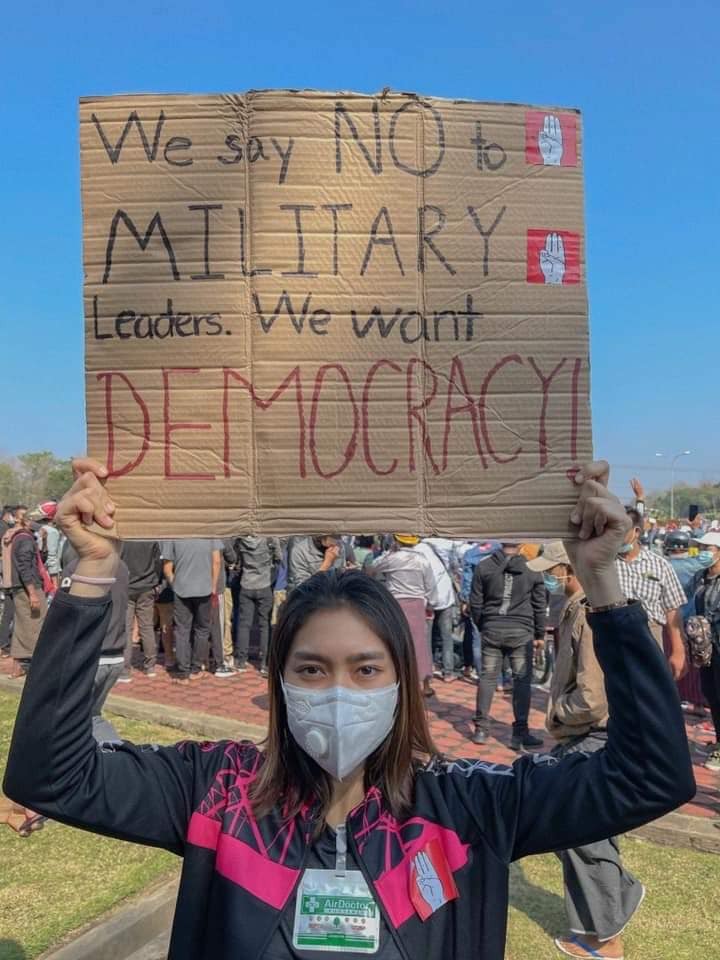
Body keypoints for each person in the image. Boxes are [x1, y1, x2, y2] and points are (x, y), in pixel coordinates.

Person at [3, 459, 695, 960]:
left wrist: (604, 586)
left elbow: (650, 777)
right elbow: (50, 775)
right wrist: (92, 571)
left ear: (402, 680)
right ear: (279, 681)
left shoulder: (473, 811)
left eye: (366, 669)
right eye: (311, 668)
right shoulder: (214, 795)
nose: (339, 691)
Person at [529, 541, 644, 960]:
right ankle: (616, 901)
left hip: (591, 737)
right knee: (573, 832)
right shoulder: (577, 607)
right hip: (583, 738)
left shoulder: (588, 614)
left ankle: (607, 938)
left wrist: (558, 715)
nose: (548, 576)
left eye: (553, 569)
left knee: (586, 836)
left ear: (568, 567)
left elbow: (593, 698)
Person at [469, 542, 546, 749]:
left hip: (492, 628)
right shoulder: (532, 569)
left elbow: (475, 602)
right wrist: (540, 633)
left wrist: (483, 625)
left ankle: (481, 729)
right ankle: (520, 733)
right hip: (521, 631)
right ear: (521, 544)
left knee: (488, 677)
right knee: (521, 681)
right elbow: (539, 604)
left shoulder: (484, 566)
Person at [615, 507, 687, 680]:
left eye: (619, 531)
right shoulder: (604, 565)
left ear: (636, 532)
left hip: (650, 637)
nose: (614, 537)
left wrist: (678, 651)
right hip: (614, 637)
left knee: (650, 693)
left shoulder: (660, 566)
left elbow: (672, 610)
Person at [369, 534, 436, 697]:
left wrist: (388, 552)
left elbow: (372, 568)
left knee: (396, 641)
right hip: (417, 604)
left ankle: (397, 680)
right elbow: (431, 586)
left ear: (396, 541)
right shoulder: (423, 560)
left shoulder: (392, 558)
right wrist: (432, 603)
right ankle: (425, 684)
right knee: (420, 645)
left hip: (396, 603)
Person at [162, 538, 223, 684]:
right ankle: (196, 668)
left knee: (182, 630)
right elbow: (216, 561)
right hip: (205, 589)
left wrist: (175, 584)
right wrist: (213, 586)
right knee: (202, 630)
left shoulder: (174, 536)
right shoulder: (211, 534)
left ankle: (183, 671)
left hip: (182, 589)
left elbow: (167, 568)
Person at [1, 506, 48, 677]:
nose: (41, 524)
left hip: (19, 587)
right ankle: (36, 667)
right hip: (29, 588)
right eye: (38, 521)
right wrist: (33, 594)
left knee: (22, 627)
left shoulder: (19, 536)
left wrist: (44, 542)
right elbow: (25, 567)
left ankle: (18, 667)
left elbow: (37, 561)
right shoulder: (25, 539)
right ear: (27, 521)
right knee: (36, 626)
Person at [233, 535, 281, 675]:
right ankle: (264, 663)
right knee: (264, 625)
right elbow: (278, 558)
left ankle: (241, 660)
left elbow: (236, 559)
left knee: (244, 624)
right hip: (264, 583)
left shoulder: (241, 539)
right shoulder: (271, 539)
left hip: (246, 583)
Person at [693, 532, 720, 770]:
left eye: (707, 548)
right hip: (706, 649)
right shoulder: (700, 578)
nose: (702, 552)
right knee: (711, 693)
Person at [415, 537, 458, 682]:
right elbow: (454, 566)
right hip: (445, 595)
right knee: (447, 636)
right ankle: (448, 672)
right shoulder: (446, 544)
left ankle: (428, 671)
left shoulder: (417, 549)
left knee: (426, 637)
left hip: (428, 598)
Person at [120, 540, 163, 679]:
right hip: (147, 586)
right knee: (147, 626)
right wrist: (156, 582)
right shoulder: (151, 540)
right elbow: (158, 563)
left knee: (126, 628)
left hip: (127, 585)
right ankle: (150, 666)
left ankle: (125, 669)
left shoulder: (124, 540)